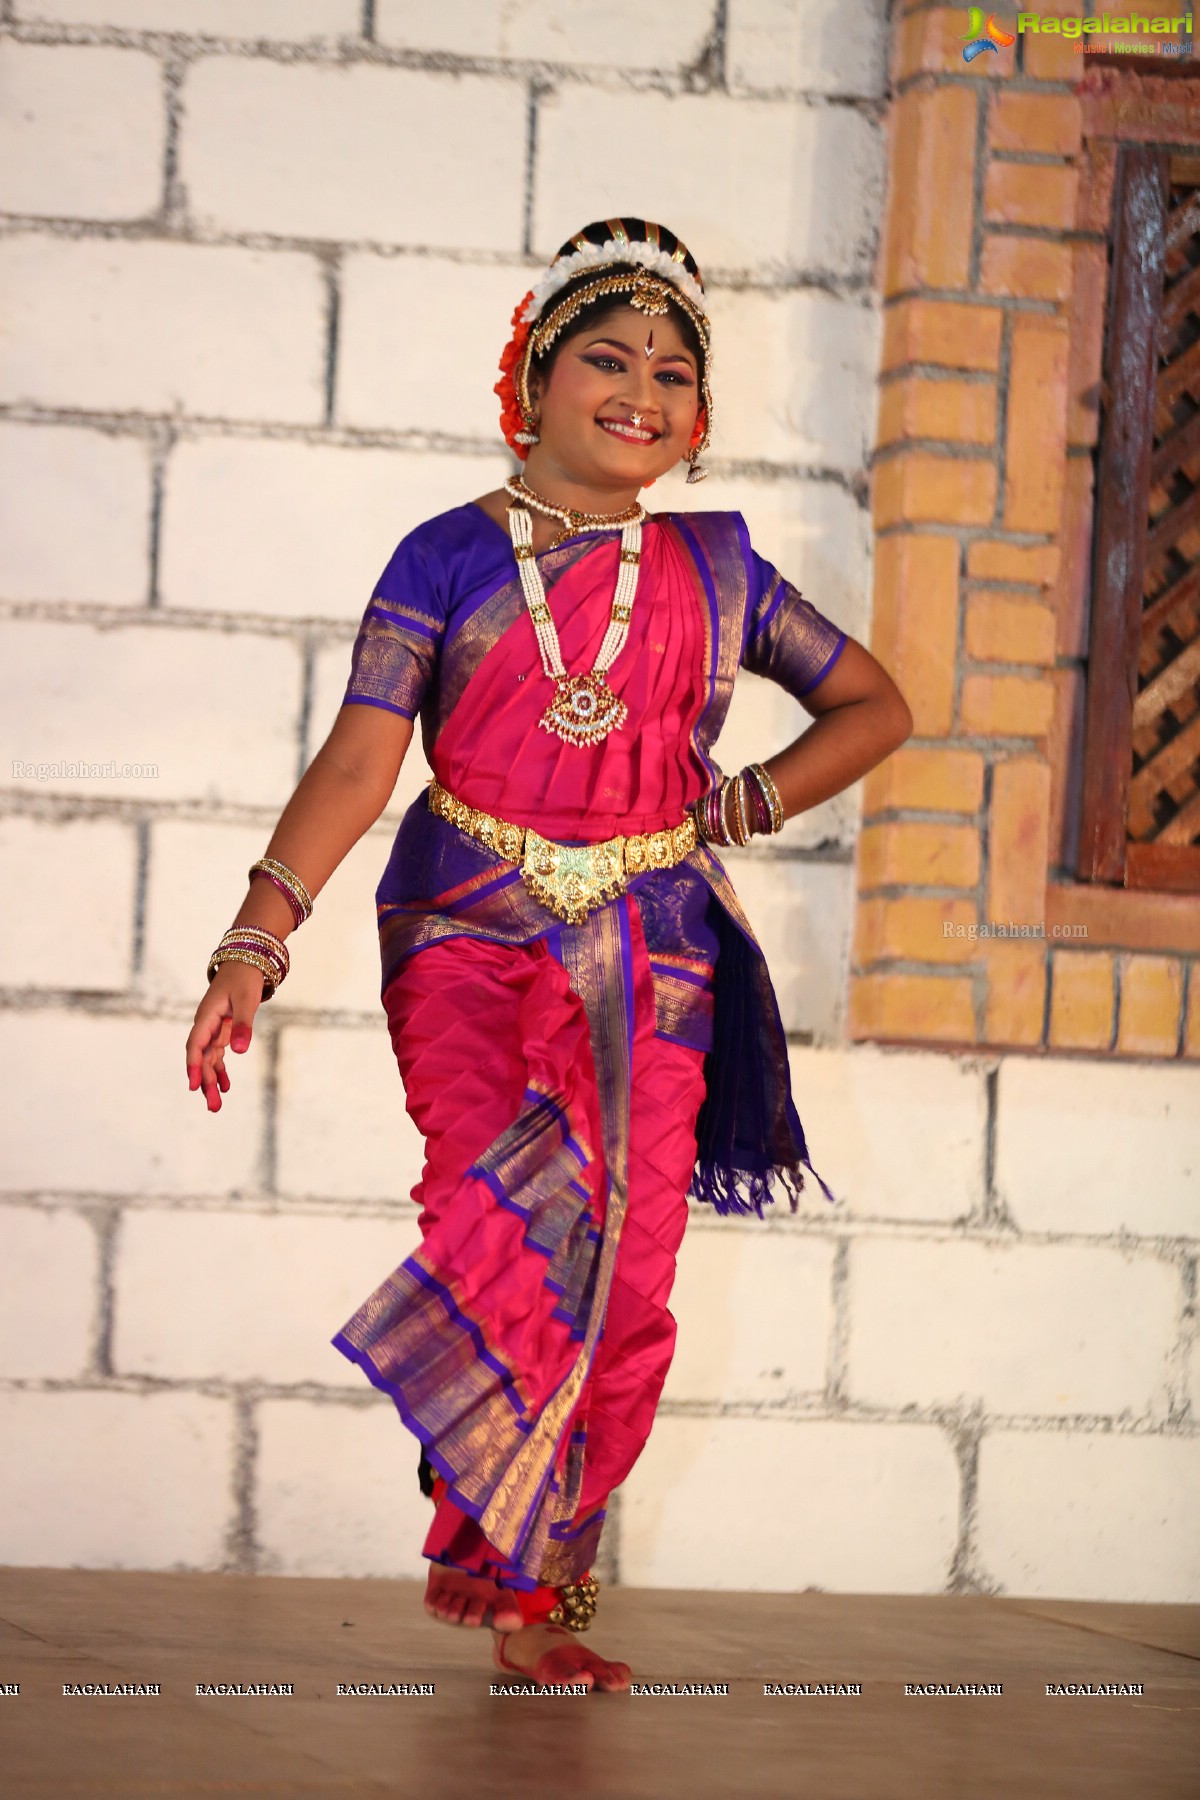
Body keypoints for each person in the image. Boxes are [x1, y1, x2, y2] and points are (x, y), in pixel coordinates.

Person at [186, 218, 913, 1694]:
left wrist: (746, 800)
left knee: (624, 1282)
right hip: (464, 929)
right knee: (490, 1217)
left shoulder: (719, 571)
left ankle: (542, 1595)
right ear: (529, 371)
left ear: (698, 422)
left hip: (652, 950)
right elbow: (353, 765)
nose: (640, 390)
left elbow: (874, 708)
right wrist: (257, 938)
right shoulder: (444, 557)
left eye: (671, 372)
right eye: (606, 356)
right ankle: (488, 1519)